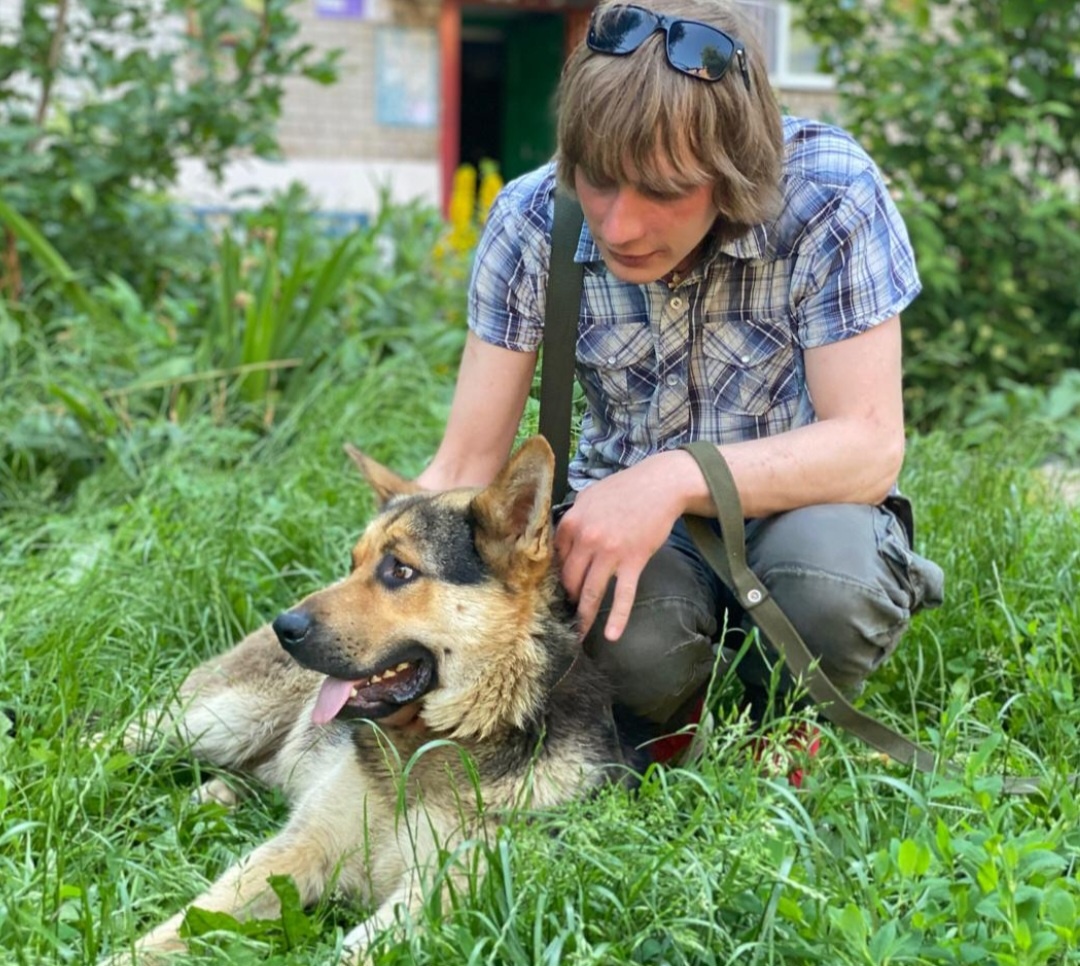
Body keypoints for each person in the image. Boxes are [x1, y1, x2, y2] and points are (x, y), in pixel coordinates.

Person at [417, 0, 944, 736]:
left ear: (737, 173)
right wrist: (373, 603)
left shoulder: (829, 195)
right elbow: (466, 463)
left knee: (830, 586)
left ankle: (788, 722)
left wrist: (671, 477)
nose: (620, 225)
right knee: (621, 644)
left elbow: (869, 446)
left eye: (664, 190)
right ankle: (672, 713)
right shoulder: (530, 221)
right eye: (597, 180)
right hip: (627, 532)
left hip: (801, 512)